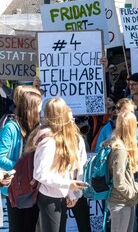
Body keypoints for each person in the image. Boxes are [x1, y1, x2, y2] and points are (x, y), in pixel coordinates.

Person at [33, 97, 89, 232]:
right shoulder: (49, 140)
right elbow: (40, 173)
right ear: (61, 115)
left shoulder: (61, 137)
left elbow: (69, 170)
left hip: (60, 195)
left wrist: (71, 193)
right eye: (66, 109)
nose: (70, 112)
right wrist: (68, 185)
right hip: (50, 197)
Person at [0, 87, 42, 232]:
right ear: (31, 108)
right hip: (15, 187)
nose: (40, 110)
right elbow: (0, 158)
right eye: (38, 106)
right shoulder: (11, 128)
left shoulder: (38, 128)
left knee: (31, 227)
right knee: (17, 228)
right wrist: (23, 169)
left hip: (34, 187)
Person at [104, 110, 138, 232]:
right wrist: (132, 193)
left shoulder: (120, 146)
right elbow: (118, 180)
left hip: (125, 201)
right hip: (120, 202)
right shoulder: (120, 149)